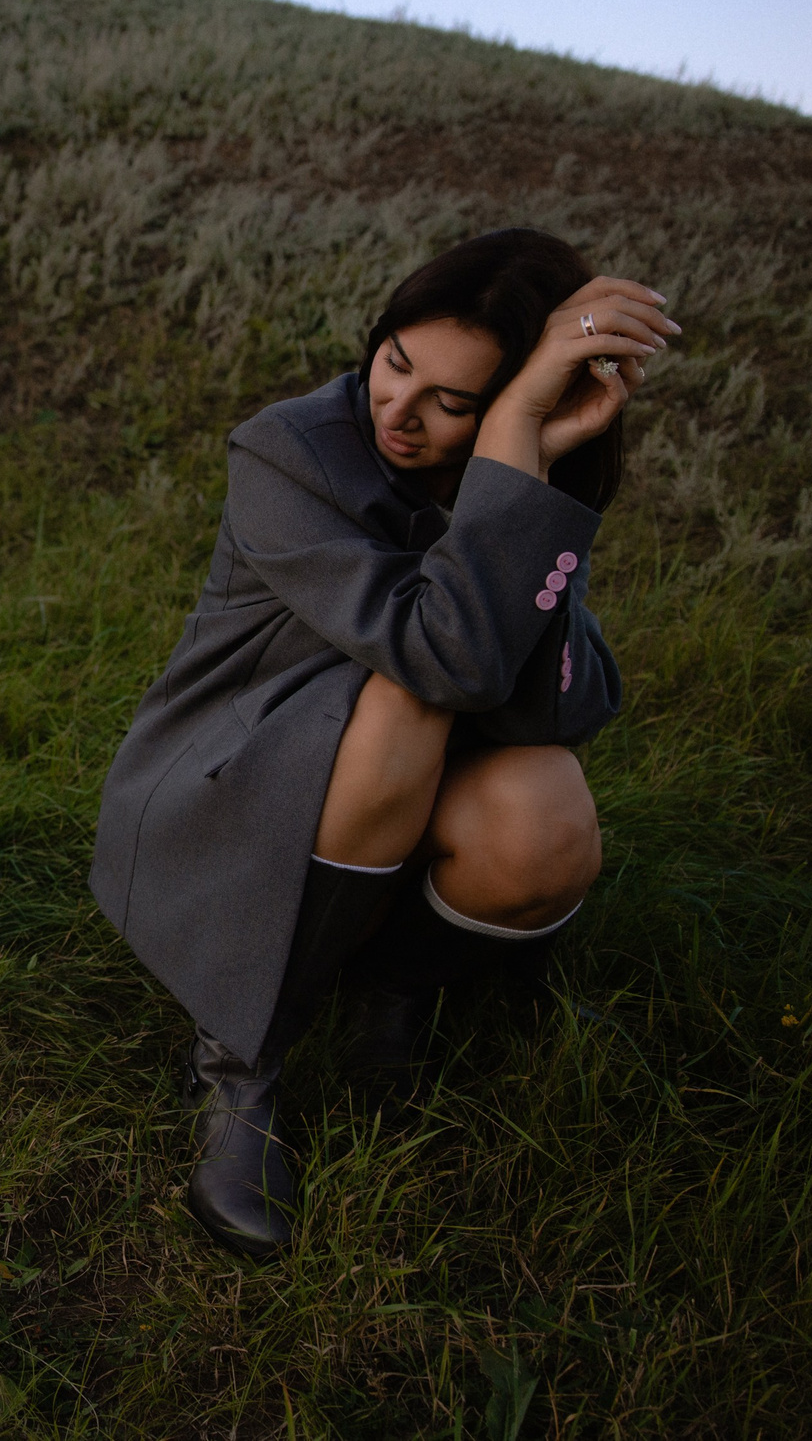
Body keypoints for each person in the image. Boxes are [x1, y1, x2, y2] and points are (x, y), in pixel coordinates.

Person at [87, 227, 676, 1257]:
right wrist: (500, 463)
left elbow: (562, 709)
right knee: (407, 697)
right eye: (392, 362)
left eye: (453, 401)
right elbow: (442, 660)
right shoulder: (288, 450)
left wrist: (521, 471)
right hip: (242, 778)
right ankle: (238, 1065)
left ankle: (389, 996)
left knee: (543, 813)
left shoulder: (525, 465)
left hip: (399, 792)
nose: (396, 410)